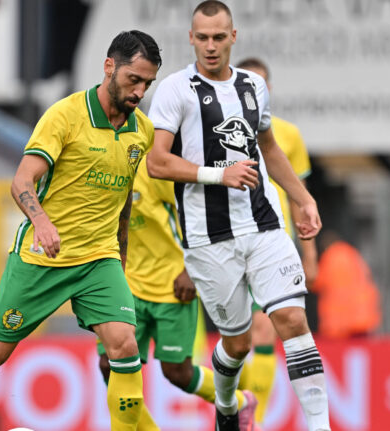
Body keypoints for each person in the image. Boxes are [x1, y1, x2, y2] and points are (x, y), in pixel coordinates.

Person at [0, 30, 161, 431]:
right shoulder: (65, 115)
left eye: (147, 83)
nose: (139, 91)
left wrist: (120, 258)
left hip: (99, 260)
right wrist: (42, 221)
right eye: (133, 80)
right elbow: (21, 181)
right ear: (110, 67)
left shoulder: (142, 130)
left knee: (125, 345)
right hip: (43, 259)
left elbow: (123, 201)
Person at [146, 2, 331, 431]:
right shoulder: (176, 89)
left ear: (234, 36)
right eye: (202, 38)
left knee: (292, 320)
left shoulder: (253, 87)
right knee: (238, 342)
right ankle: (227, 406)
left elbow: (268, 147)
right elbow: (157, 163)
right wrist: (219, 174)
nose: (211, 46)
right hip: (209, 238)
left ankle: (320, 426)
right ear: (191, 38)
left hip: (264, 225)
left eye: (219, 37)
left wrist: (303, 198)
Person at [96, 154, 257, 431]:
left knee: (177, 372)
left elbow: (195, 212)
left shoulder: (151, 169)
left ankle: (241, 402)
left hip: (172, 287)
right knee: (109, 365)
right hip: (128, 287)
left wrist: (189, 268)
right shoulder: (102, 170)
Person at [234, 57, 319, 425]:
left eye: (263, 83)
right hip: (231, 240)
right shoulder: (220, 131)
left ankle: (256, 418)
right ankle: (237, 407)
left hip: (273, 241)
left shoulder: (286, 135)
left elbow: (301, 195)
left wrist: (310, 253)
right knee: (239, 339)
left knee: (266, 328)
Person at [311, 230, 381, 339]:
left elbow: (315, 282)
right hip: (363, 316)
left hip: (340, 322)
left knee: (338, 353)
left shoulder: (330, 256)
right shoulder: (352, 253)